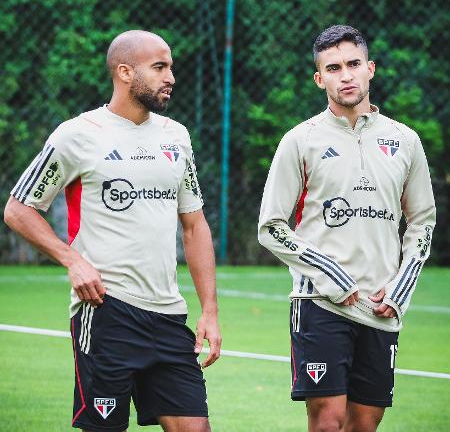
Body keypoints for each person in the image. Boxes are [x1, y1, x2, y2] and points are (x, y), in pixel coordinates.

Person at [4, 30, 221, 432]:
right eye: (159, 67)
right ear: (124, 72)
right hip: (107, 311)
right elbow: (18, 209)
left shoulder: (177, 137)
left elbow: (194, 225)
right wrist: (73, 261)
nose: (170, 76)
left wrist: (209, 309)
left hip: (170, 316)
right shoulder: (77, 135)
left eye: (170, 66)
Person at [258, 25, 435, 432]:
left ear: (370, 69)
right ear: (320, 79)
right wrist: (331, 275)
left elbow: (422, 221)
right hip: (320, 303)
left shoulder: (404, 141)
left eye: (354, 64)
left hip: (380, 305)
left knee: (364, 424)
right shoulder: (300, 140)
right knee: (328, 421)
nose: (346, 75)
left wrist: (400, 288)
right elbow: (271, 227)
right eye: (334, 68)